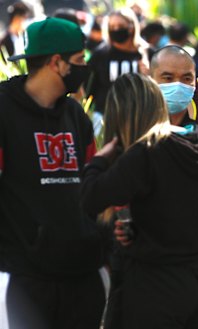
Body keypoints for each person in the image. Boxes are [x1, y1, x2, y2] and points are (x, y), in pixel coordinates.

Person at [80, 73, 198, 329]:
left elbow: (90, 197)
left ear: (121, 115)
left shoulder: (145, 153)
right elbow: (172, 204)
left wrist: (99, 160)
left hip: (153, 287)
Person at [0, 17, 106, 329]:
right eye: (79, 60)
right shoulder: (4, 111)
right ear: (56, 63)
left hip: (82, 273)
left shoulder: (76, 115)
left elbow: (92, 183)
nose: (85, 67)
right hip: (25, 277)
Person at [87, 8, 149, 114]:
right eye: (112, 27)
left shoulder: (146, 53)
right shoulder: (100, 54)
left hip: (139, 115)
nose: (116, 30)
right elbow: (88, 87)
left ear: (131, 27)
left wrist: (148, 75)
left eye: (120, 26)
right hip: (105, 115)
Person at [149, 45, 196, 127]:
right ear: (151, 80)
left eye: (187, 78)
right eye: (168, 78)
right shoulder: (136, 127)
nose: (178, 85)